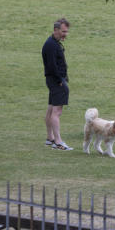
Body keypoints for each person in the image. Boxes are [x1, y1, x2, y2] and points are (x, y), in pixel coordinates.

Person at [42, 18, 73, 150]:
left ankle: (50, 138)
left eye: (66, 31)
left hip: (54, 80)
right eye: (63, 31)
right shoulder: (51, 45)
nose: (65, 34)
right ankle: (58, 142)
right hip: (56, 81)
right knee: (57, 111)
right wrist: (60, 81)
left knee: (50, 109)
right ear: (56, 30)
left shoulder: (53, 43)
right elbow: (52, 66)